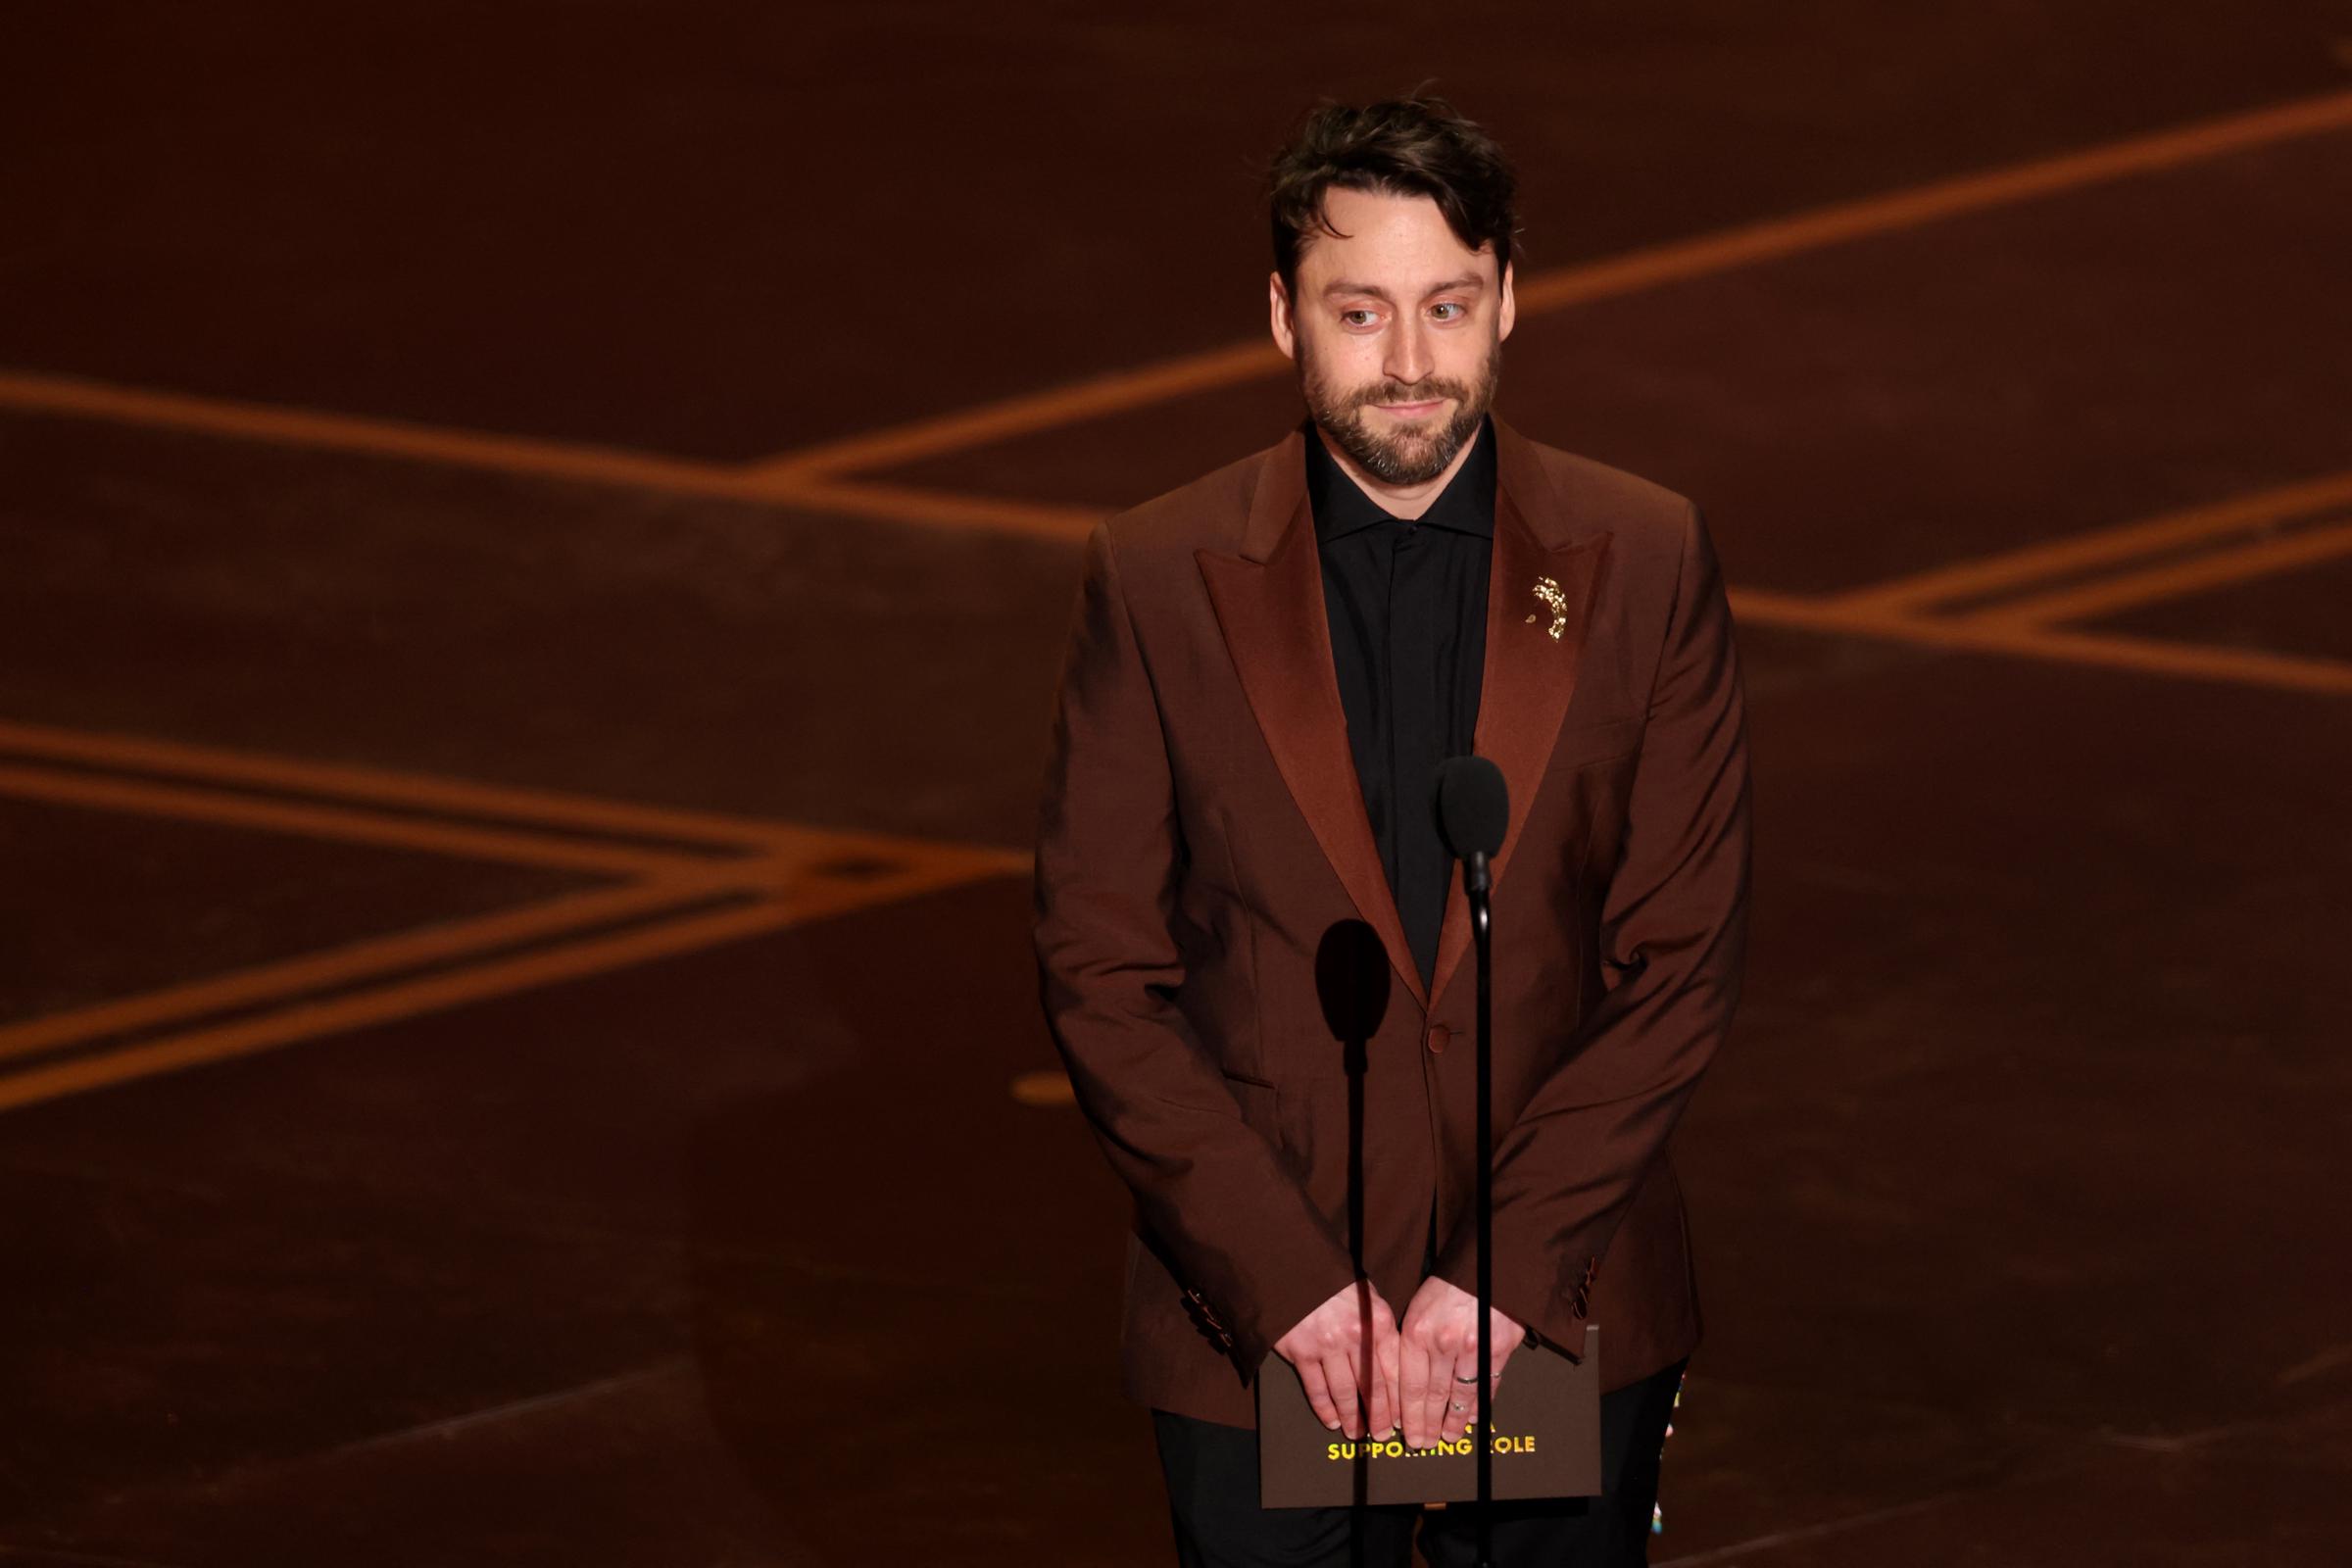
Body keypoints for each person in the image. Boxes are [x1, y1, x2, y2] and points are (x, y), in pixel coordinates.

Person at [1031, 92, 1753, 1567]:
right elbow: (1100, 971)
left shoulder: (1645, 556)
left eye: (1449, 306)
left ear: (1508, 306)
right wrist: (1294, 1291)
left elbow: (1677, 959)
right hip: (1263, 1333)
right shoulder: (1160, 575)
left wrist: (1498, 1282)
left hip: (1559, 1302)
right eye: (1362, 312)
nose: (1413, 363)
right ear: (1284, 319)